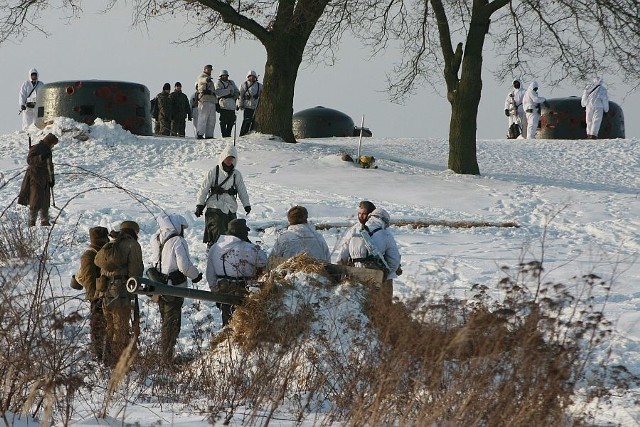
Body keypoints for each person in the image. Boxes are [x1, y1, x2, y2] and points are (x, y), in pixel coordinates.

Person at [149, 213, 202, 361]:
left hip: (158, 286)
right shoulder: (177, 241)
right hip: (173, 288)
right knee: (172, 324)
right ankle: (166, 358)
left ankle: (165, 355)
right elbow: (184, 266)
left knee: (165, 320)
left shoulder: (155, 238)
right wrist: (196, 276)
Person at [94, 220, 144, 367]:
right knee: (120, 329)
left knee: (110, 327)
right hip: (121, 294)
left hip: (106, 292)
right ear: (134, 232)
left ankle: (106, 360)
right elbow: (135, 272)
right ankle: (118, 364)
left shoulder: (110, 245)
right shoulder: (132, 245)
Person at [206, 218, 267, 326]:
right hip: (244, 289)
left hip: (223, 289)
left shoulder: (215, 247)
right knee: (245, 324)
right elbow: (263, 262)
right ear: (242, 232)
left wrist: (214, 290)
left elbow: (210, 273)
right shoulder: (248, 248)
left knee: (227, 322)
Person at [336, 208, 401, 302]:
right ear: (385, 221)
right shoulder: (386, 234)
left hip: (354, 275)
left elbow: (342, 256)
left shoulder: (354, 231)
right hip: (376, 277)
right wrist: (386, 274)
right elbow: (394, 260)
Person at [195, 144, 251, 248]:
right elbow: (204, 189)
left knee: (233, 230)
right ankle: (213, 248)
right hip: (215, 205)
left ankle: (230, 251)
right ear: (223, 157)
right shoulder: (213, 172)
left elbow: (242, 190)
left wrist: (246, 204)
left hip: (230, 206)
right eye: (228, 158)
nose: (229, 161)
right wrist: (199, 204)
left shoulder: (236, 174)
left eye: (232, 159)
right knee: (217, 227)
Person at [75, 226, 110, 362]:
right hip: (97, 297)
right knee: (97, 325)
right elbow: (89, 279)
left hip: (103, 295)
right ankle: (98, 352)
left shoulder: (100, 252)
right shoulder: (89, 255)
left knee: (104, 325)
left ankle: (104, 352)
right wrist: (94, 298)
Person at [17, 133, 58, 226]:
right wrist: (41, 157)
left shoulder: (48, 150)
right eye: (52, 144)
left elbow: (49, 165)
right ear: (49, 142)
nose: (53, 146)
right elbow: (30, 160)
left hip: (46, 178)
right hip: (35, 177)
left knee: (45, 200)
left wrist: (52, 179)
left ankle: (44, 220)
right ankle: (32, 221)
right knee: (35, 199)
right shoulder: (36, 148)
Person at [214, 69, 240, 138]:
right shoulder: (218, 83)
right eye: (223, 76)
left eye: (226, 76)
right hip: (223, 104)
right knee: (223, 121)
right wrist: (228, 91)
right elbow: (218, 92)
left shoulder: (231, 82)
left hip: (231, 104)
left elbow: (236, 91)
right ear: (221, 76)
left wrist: (235, 95)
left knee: (231, 120)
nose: (225, 77)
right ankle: (224, 134)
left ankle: (228, 134)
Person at [196, 64, 217, 139]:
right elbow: (201, 80)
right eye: (208, 69)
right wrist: (206, 79)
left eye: (210, 69)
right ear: (204, 69)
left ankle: (209, 135)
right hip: (204, 99)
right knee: (203, 117)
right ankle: (200, 134)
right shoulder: (202, 76)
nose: (209, 70)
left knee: (212, 119)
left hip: (211, 100)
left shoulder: (210, 79)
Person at [238, 70, 262, 136]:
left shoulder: (259, 85)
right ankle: (242, 134)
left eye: (253, 77)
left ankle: (251, 134)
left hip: (256, 106)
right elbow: (240, 95)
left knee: (254, 122)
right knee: (246, 121)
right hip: (247, 106)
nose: (252, 78)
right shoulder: (243, 85)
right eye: (250, 76)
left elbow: (262, 95)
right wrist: (240, 104)